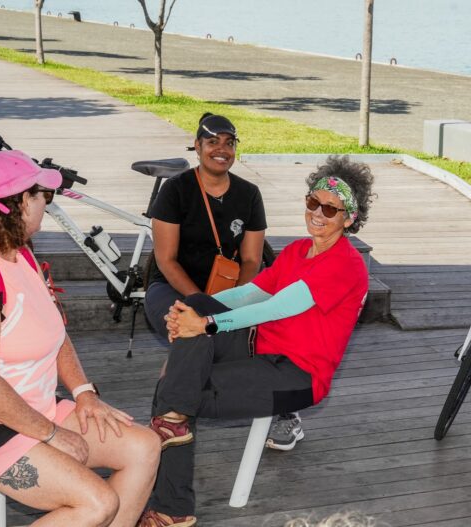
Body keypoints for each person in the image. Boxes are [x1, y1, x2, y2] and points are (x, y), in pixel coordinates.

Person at [138, 155, 374, 526]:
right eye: (313, 202)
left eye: (331, 209)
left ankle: (171, 507)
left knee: (174, 392)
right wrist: (188, 313)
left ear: (349, 219)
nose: (318, 213)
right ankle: (171, 499)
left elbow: (278, 307)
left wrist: (207, 326)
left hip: (296, 375)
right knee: (195, 315)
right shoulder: (297, 251)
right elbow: (250, 294)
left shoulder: (345, 263)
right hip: (257, 347)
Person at [0, 150, 160, 526]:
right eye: (44, 196)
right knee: (97, 503)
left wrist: (84, 392)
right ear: (22, 202)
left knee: (144, 447)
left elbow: (55, 334)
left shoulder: (22, 254)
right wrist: (50, 434)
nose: (46, 205)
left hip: (35, 408)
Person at [144, 112, 267, 339]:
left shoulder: (249, 194)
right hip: (173, 286)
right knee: (186, 328)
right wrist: (203, 302)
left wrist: (236, 299)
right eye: (212, 142)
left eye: (229, 143)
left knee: (236, 333)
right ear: (198, 147)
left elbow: (252, 260)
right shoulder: (175, 190)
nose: (222, 149)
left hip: (231, 288)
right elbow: (166, 260)